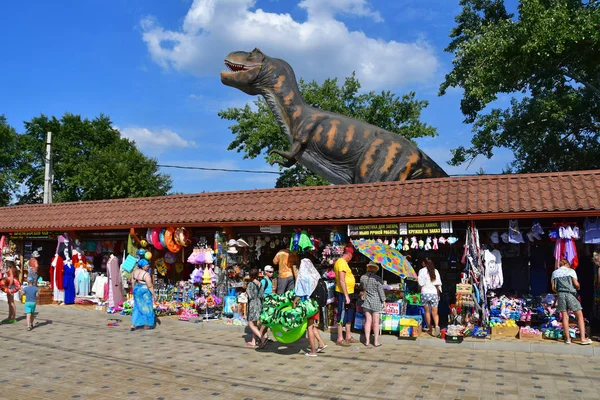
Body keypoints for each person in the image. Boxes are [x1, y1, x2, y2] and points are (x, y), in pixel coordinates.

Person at [292, 256, 327, 357]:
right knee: (312, 325)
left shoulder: (302, 276)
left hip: (307, 305)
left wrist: (294, 303)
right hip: (315, 305)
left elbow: (299, 293)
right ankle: (321, 344)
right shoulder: (315, 275)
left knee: (309, 328)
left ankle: (313, 351)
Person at [551, 259, 592, 345]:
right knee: (580, 316)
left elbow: (553, 288)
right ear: (567, 264)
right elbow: (576, 284)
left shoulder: (555, 273)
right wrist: (578, 287)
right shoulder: (571, 271)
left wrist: (559, 291)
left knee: (565, 317)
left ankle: (568, 339)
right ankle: (583, 339)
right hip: (570, 294)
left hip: (561, 295)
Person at [334, 247, 356, 346]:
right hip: (343, 293)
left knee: (349, 314)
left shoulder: (344, 263)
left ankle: (348, 336)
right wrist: (346, 296)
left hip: (349, 292)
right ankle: (339, 338)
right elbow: (342, 280)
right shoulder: (342, 262)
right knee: (342, 314)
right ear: (349, 254)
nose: (351, 259)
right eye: (351, 256)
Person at [360, 261, 385, 347]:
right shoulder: (378, 278)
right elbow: (381, 292)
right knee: (375, 322)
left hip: (366, 301)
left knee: (368, 321)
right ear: (375, 269)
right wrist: (384, 301)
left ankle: (367, 341)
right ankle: (376, 341)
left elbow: (362, 288)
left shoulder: (363, 277)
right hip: (376, 301)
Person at [418, 257, 442, 337]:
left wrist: (419, 291)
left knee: (427, 312)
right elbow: (438, 285)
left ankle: (430, 329)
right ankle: (437, 326)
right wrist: (438, 294)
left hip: (425, 293)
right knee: (435, 313)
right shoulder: (435, 271)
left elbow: (420, 284)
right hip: (434, 293)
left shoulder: (421, 271)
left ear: (424, 263)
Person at [130, 261, 157, 331]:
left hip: (136, 289)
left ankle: (133, 324)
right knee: (147, 306)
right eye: (146, 265)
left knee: (137, 306)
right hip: (144, 291)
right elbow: (150, 286)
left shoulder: (134, 272)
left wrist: (134, 291)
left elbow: (133, 282)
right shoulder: (146, 274)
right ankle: (147, 324)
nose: (148, 266)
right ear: (142, 266)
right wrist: (154, 295)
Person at [246, 268, 267, 348]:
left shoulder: (250, 284)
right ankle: (253, 341)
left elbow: (249, 296)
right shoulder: (260, 284)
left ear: (250, 275)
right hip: (259, 304)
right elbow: (262, 295)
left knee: (250, 324)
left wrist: (245, 295)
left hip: (253, 304)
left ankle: (262, 338)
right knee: (255, 324)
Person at [2, 258, 19, 324]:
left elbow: (11, 278)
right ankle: (10, 316)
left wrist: (9, 286)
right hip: (12, 285)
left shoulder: (10, 269)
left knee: (11, 302)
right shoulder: (13, 268)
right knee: (10, 302)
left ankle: (13, 317)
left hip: (11, 286)